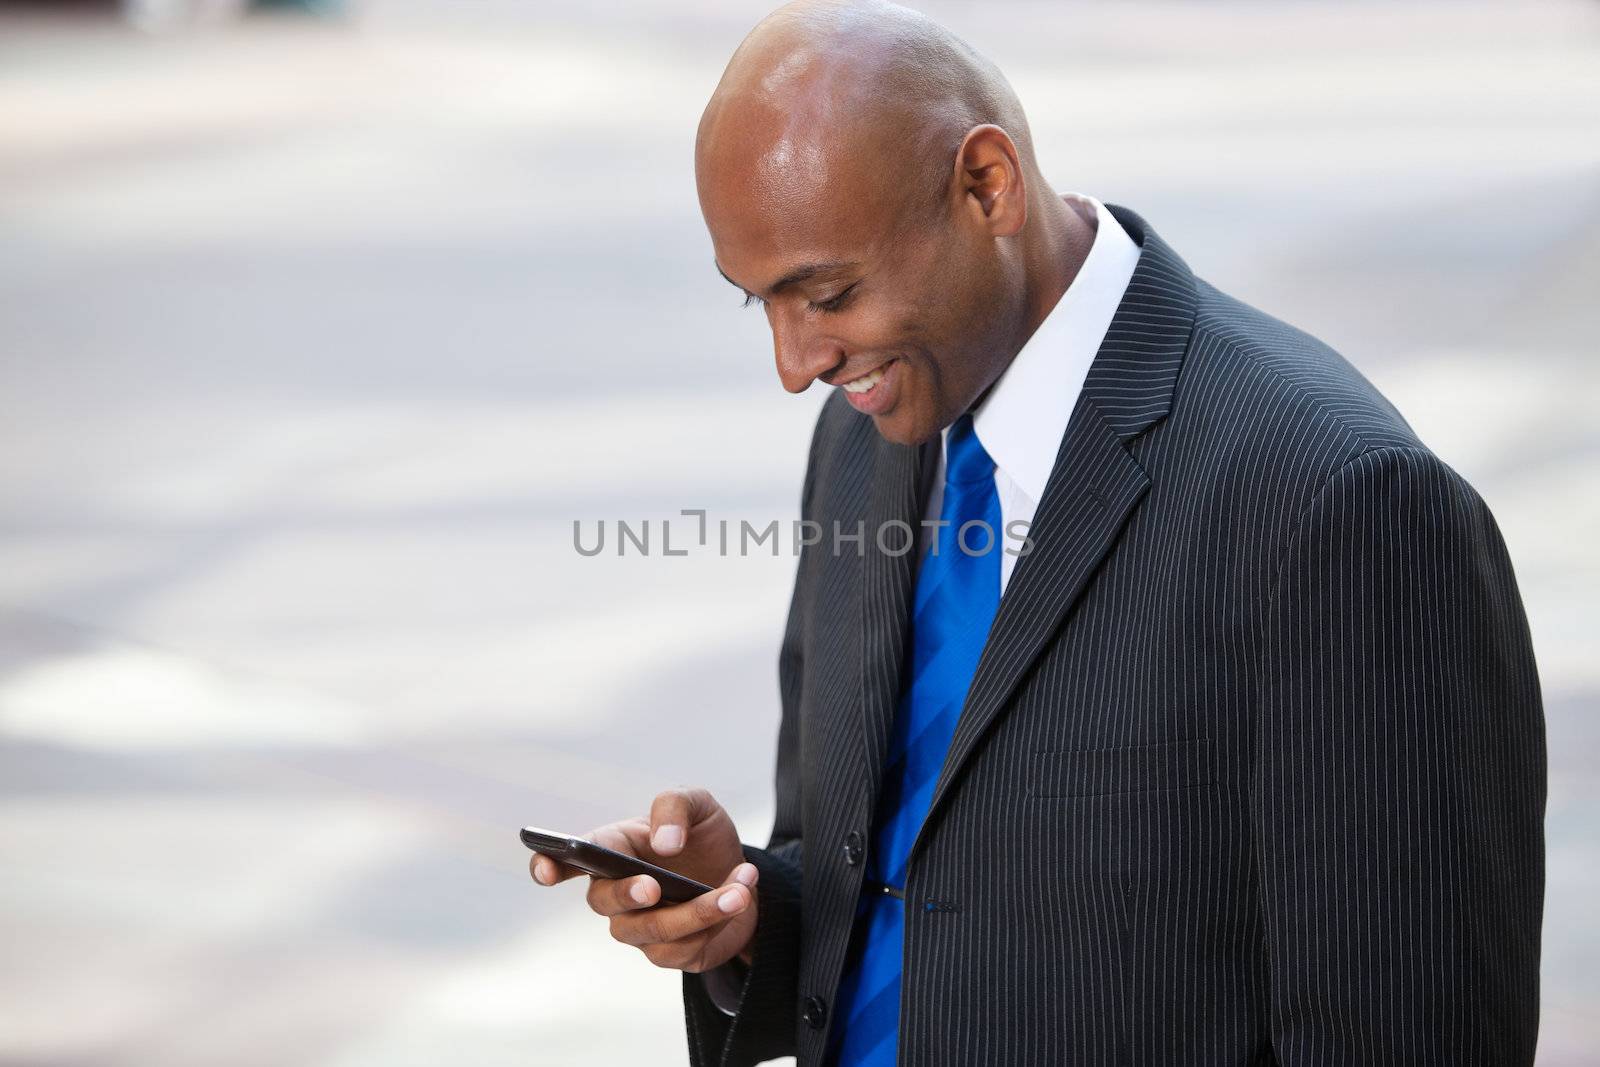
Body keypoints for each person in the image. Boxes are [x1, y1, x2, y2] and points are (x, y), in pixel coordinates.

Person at [529, 1, 1547, 1063]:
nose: (796, 364)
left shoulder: (1343, 504)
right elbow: (901, 884)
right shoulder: (864, 435)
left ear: (985, 186)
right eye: (760, 305)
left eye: (826, 292)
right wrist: (746, 915)